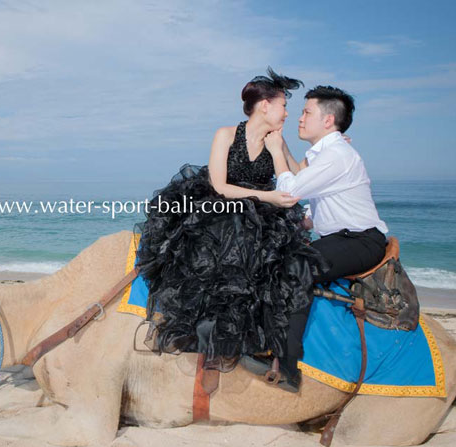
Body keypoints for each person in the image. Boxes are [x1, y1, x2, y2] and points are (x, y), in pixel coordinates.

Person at [135, 68, 325, 391]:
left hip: (261, 215)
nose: (287, 113)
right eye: (283, 105)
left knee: (274, 268)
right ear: (264, 105)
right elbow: (220, 187)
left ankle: (257, 349)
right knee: (219, 244)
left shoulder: (276, 140)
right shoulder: (226, 134)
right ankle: (198, 341)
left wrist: (329, 144)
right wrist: (266, 196)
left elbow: (298, 173)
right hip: (224, 207)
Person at [264, 85, 389, 387]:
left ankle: (289, 364)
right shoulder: (326, 154)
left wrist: (274, 151)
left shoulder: (337, 155)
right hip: (342, 237)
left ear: (329, 120)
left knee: (296, 267)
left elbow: (290, 190)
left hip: (361, 241)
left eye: (307, 112)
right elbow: (310, 188)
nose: (300, 118)